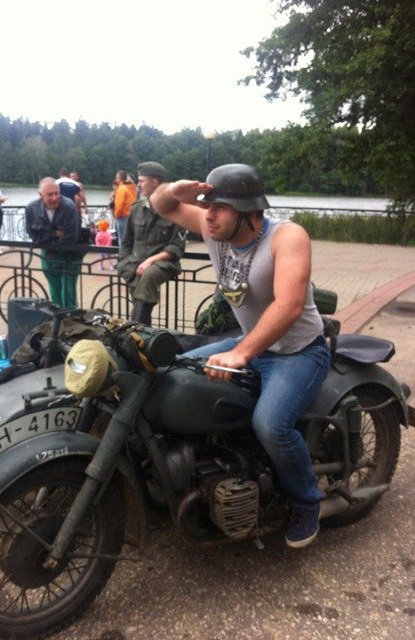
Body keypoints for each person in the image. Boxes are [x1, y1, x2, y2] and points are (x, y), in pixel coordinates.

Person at [151, 163, 330, 548]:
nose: (208, 215)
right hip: (250, 342)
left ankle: (307, 503)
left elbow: (289, 305)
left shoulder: (287, 237)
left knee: (271, 425)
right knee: (171, 373)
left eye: (220, 207)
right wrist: (176, 189)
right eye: (207, 206)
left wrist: (240, 353)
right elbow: (160, 204)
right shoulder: (215, 230)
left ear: (249, 212)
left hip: (298, 352)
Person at [117, 161, 186, 325]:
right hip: (135, 264)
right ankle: (141, 332)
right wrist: (123, 261)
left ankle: (134, 330)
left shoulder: (176, 211)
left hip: (163, 263)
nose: (138, 184)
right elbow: (126, 242)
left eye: (141, 181)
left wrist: (150, 260)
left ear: (154, 182)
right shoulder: (137, 209)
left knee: (148, 276)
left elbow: (176, 247)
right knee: (140, 294)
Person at [25, 177, 81, 308]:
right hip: (48, 256)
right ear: (41, 195)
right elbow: (34, 237)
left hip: (70, 255)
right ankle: (57, 317)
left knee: (68, 291)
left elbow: (71, 237)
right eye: (50, 194)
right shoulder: (31, 209)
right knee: (54, 290)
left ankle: (70, 317)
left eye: (57, 193)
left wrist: (46, 240)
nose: (55, 198)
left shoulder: (69, 207)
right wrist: (55, 234)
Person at [113, 170, 138, 245]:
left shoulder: (121, 189)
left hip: (123, 217)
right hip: (132, 216)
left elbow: (119, 205)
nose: (116, 180)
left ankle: (123, 253)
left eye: (116, 178)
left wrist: (116, 215)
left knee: (122, 241)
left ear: (119, 178)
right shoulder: (132, 188)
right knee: (130, 240)